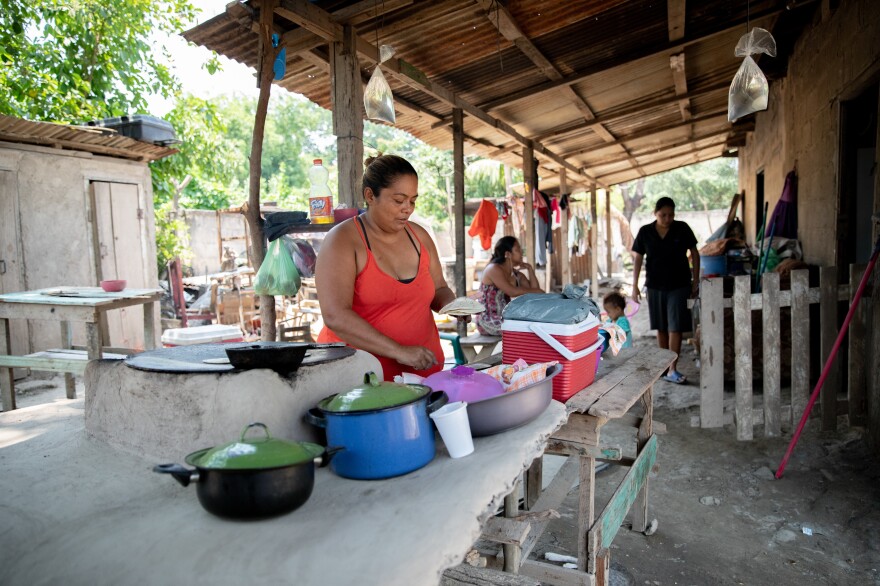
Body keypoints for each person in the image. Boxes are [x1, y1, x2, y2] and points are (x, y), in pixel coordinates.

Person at [315, 154, 460, 381]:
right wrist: (399, 352)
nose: (407, 209)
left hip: (421, 376)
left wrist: (454, 306)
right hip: (359, 381)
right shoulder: (343, 241)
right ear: (370, 195)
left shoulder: (419, 236)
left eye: (412, 200)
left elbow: (439, 288)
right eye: (399, 200)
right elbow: (335, 316)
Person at [631, 197, 700, 384]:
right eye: (663, 215)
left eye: (670, 215)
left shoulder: (682, 228)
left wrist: (696, 281)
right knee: (660, 327)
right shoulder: (645, 232)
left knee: (675, 327)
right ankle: (663, 366)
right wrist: (634, 285)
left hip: (679, 285)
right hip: (654, 285)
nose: (667, 218)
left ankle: (672, 369)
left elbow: (694, 253)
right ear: (655, 213)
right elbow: (637, 258)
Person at [474, 236, 544, 336]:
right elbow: (512, 291)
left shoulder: (515, 274)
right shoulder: (493, 269)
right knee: (523, 330)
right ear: (507, 254)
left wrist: (530, 270)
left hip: (504, 318)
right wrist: (537, 291)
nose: (521, 252)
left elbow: (535, 291)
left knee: (532, 326)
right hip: (487, 319)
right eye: (517, 249)